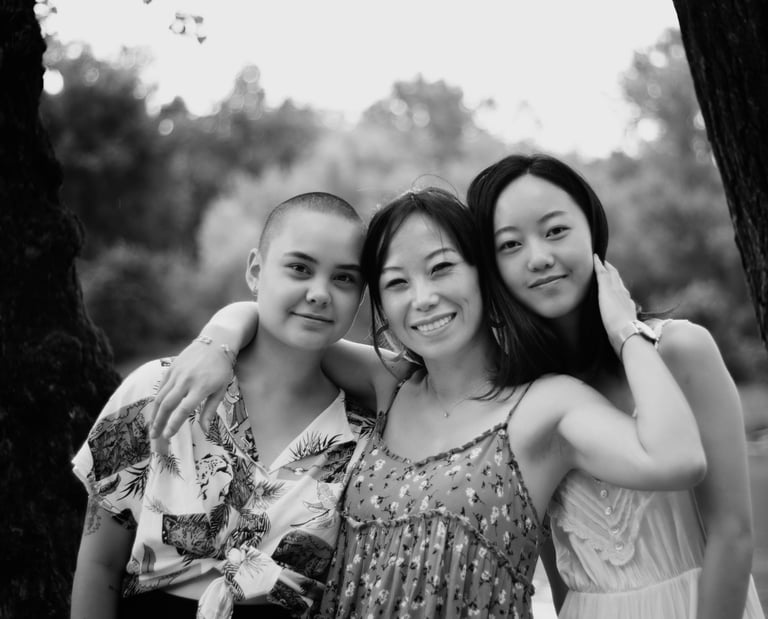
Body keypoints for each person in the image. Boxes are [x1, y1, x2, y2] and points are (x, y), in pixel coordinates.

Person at [149, 187, 707, 618]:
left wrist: (625, 331)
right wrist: (217, 338)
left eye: (441, 269)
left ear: (482, 276)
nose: (424, 298)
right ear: (382, 309)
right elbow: (282, 329)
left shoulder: (542, 406)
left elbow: (676, 458)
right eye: (396, 283)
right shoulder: (389, 384)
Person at [466, 153, 765, 619]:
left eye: (555, 231)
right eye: (510, 245)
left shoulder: (682, 351)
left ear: (592, 231)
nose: (539, 257)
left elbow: (733, 533)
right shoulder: (521, 395)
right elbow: (557, 563)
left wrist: (625, 333)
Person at [70, 192, 374, 619]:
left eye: (344, 278)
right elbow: (99, 564)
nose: (320, 293)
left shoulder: (365, 436)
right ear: (255, 270)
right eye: (300, 268)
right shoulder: (158, 389)